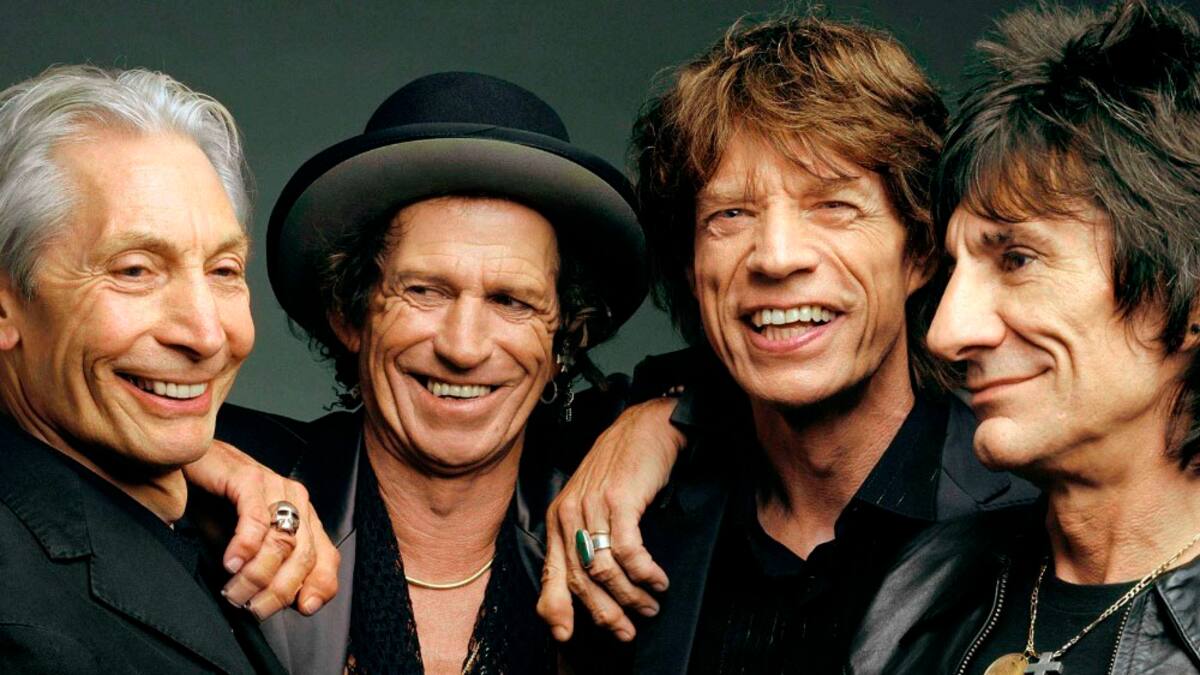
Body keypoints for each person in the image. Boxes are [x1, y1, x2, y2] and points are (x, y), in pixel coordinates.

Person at [536, 13, 1038, 674]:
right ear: (691, 267)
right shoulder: (630, 509)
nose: (775, 257)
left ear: (918, 250)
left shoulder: (1036, 513)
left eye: (834, 206)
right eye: (731, 214)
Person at [229, 71, 646, 674]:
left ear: (563, 340)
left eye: (511, 301)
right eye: (425, 290)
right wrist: (207, 461)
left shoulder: (634, 506)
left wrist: (659, 426)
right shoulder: (233, 486)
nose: (464, 347)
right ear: (351, 314)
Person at [849, 1, 1200, 673]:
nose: (948, 333)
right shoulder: (919, 591)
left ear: (1190, 303)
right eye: (955, 269)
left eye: (1016, 259)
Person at [0, 65, 339, 673]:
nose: (207, 335)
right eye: (135, 270)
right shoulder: (21, 622)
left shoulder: (191, 508)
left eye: (224, 270)